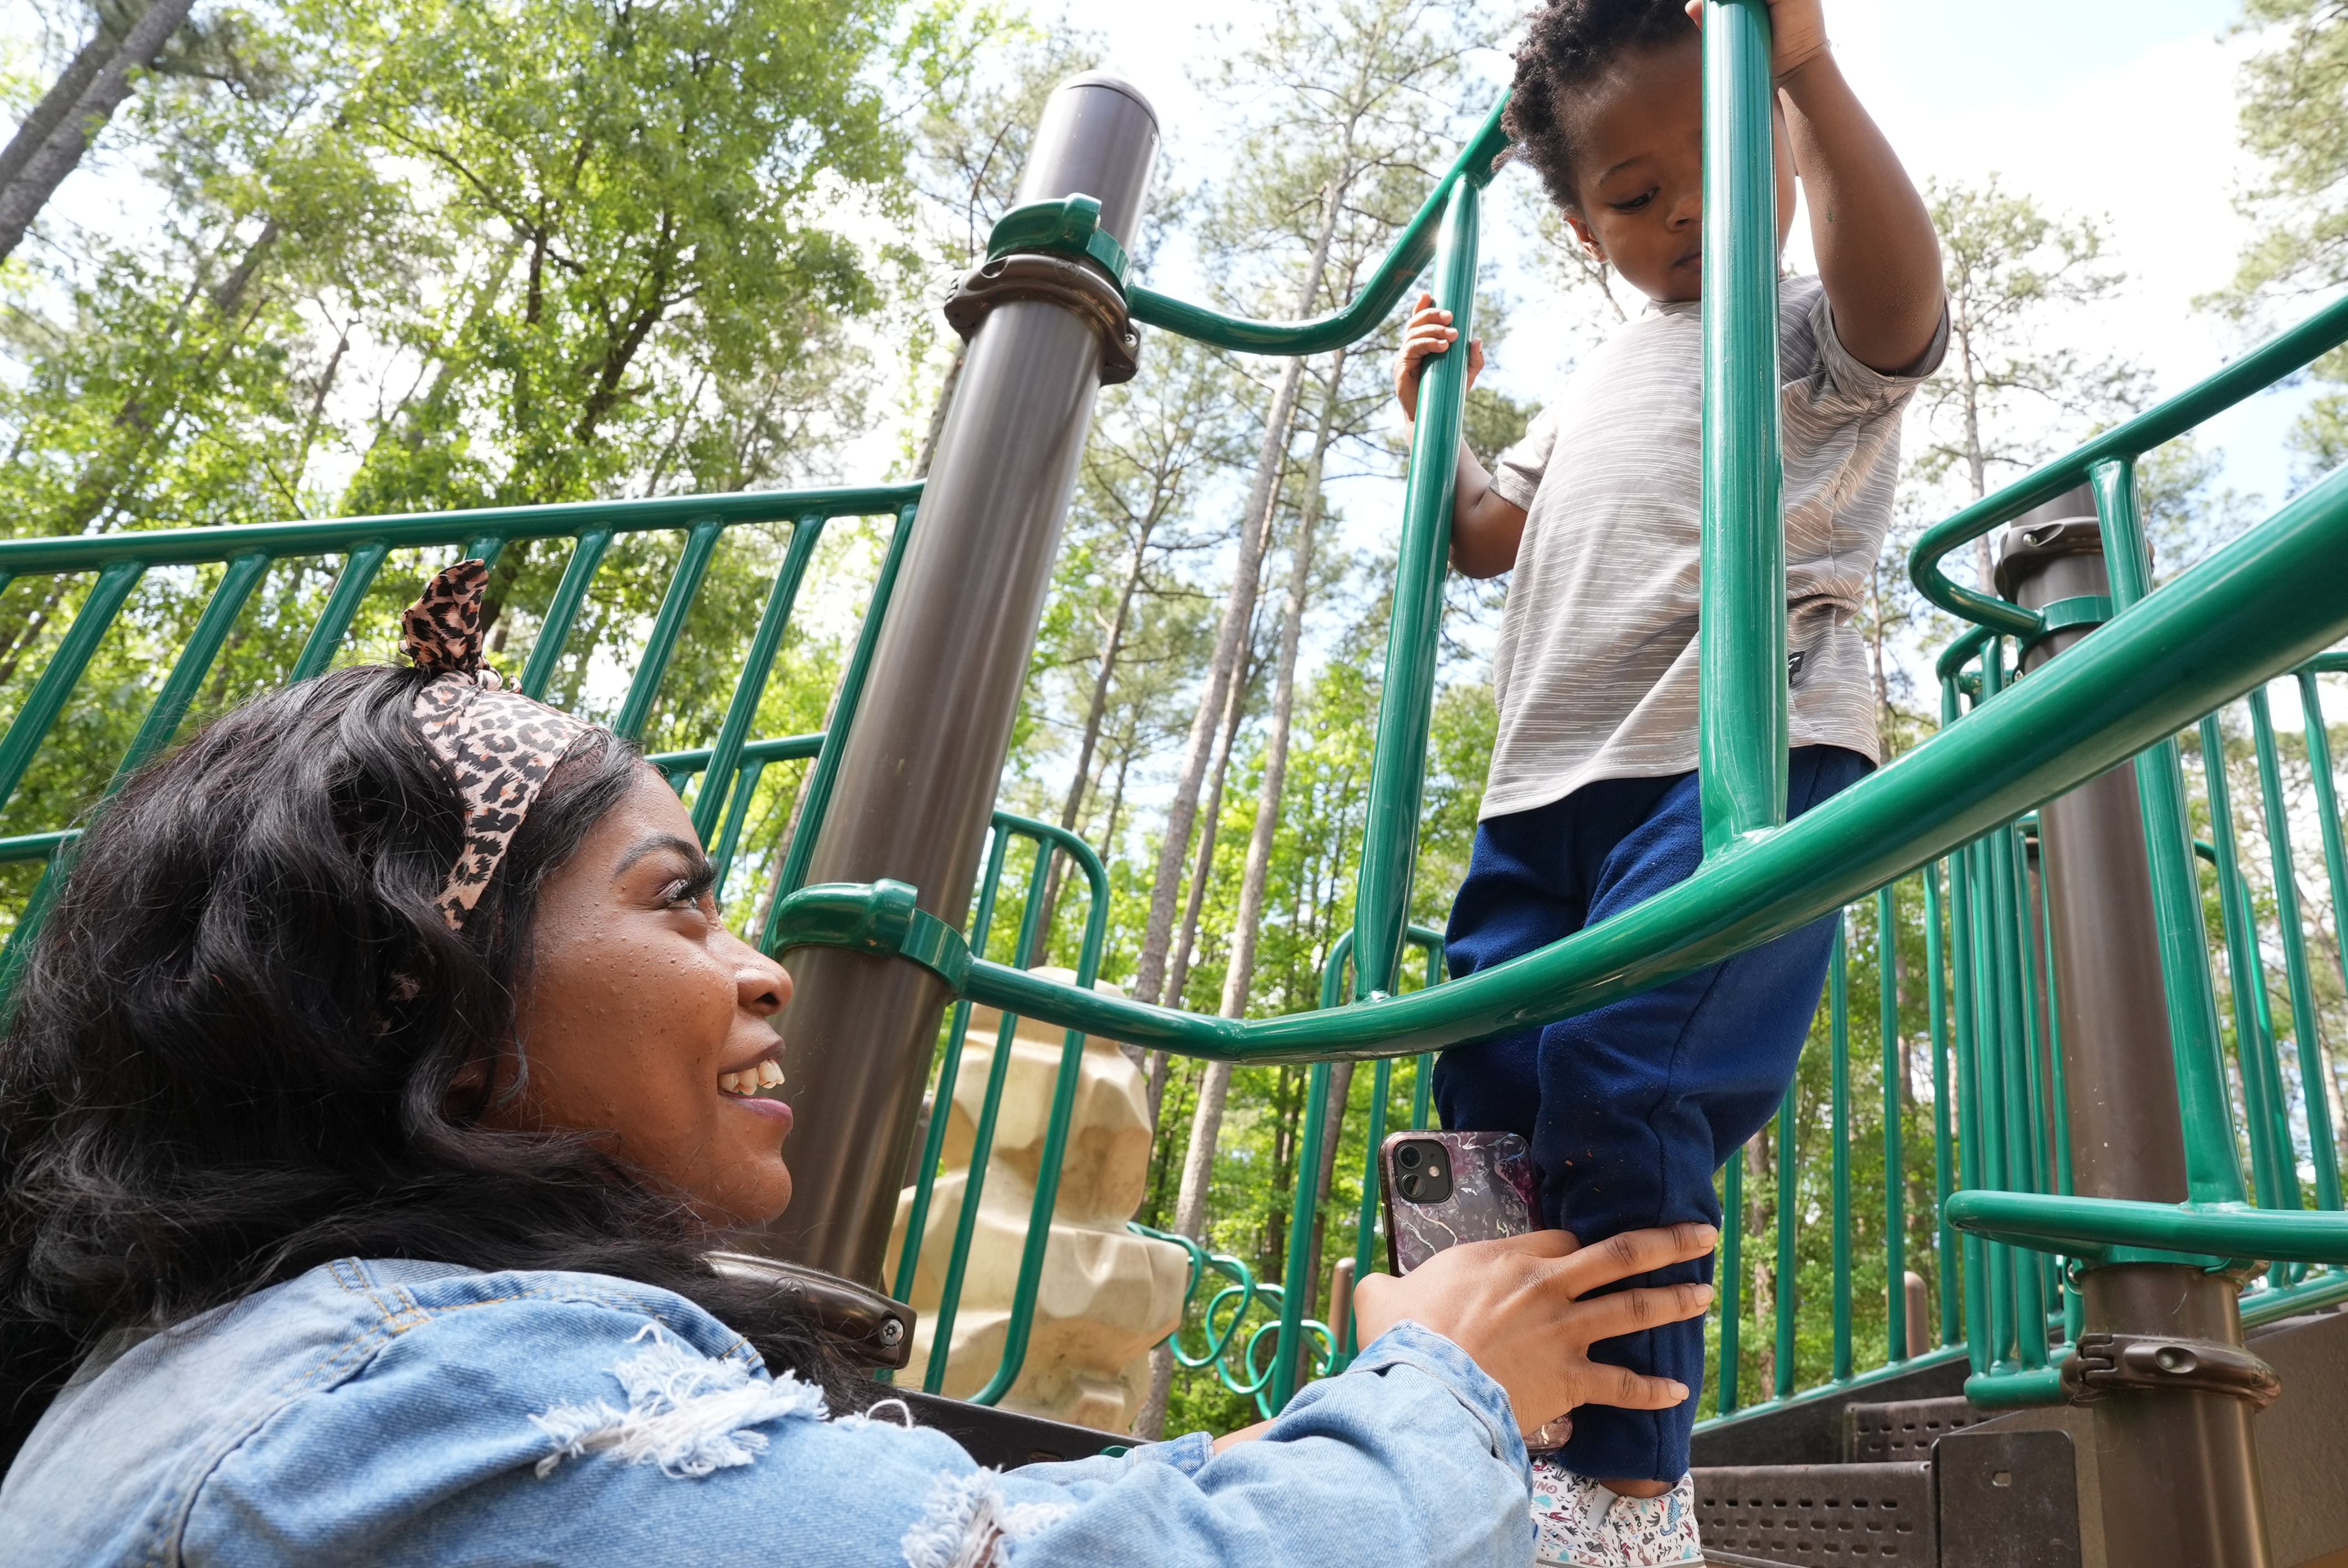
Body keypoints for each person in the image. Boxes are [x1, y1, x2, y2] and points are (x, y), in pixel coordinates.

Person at [0, 561, 1720, 1566]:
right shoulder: (389, 1404)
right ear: (412, 995)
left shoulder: (221, 1372)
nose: (764, 972)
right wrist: (1440, 1388)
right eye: (678, 905)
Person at [1392, 1, 1945, 1562]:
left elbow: (1904, 310)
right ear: (1584, 232)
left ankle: (1632, 1491)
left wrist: (1808, 71)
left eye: (1718, 154)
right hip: (1543, 791)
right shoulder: (1597, 381)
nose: (1685, 208)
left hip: (1740, 759)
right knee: (1489, 1103)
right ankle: (1484, 1435)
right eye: (1636, 196)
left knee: (1625, 1078)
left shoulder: (1803, 320)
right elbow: (1489, 532)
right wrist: (1439, 416)